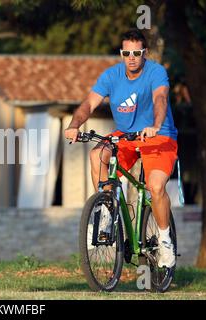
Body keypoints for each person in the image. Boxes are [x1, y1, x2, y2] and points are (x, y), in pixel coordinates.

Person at [64, 29, 178, 268]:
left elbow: (160, 99)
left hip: (158, 136)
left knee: (155, 187)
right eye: (127, 53)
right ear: (121, 53)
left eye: (137, 53)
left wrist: (156, 125)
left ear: (144, 53)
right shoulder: (111, 75)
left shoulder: (156, 72)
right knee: (98, 154)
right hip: (126, 137)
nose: (132, 57)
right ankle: (106, 213)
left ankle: (165, 241)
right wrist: (74, 125)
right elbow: (89, 103)